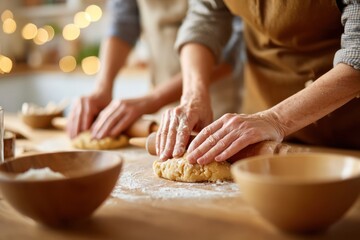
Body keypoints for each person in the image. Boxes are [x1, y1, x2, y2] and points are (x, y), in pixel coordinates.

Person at [156, 0, 360, 165]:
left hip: (347, 131)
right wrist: (194, 95)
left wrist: (275, 120)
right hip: (259, 130)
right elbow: (204, 17)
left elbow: (357, 56)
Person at [67, 0, 244, 140]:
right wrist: (102, 89)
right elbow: (123, 20)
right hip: (162, 103)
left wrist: (155, 98)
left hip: (223, 102)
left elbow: (234, 49)